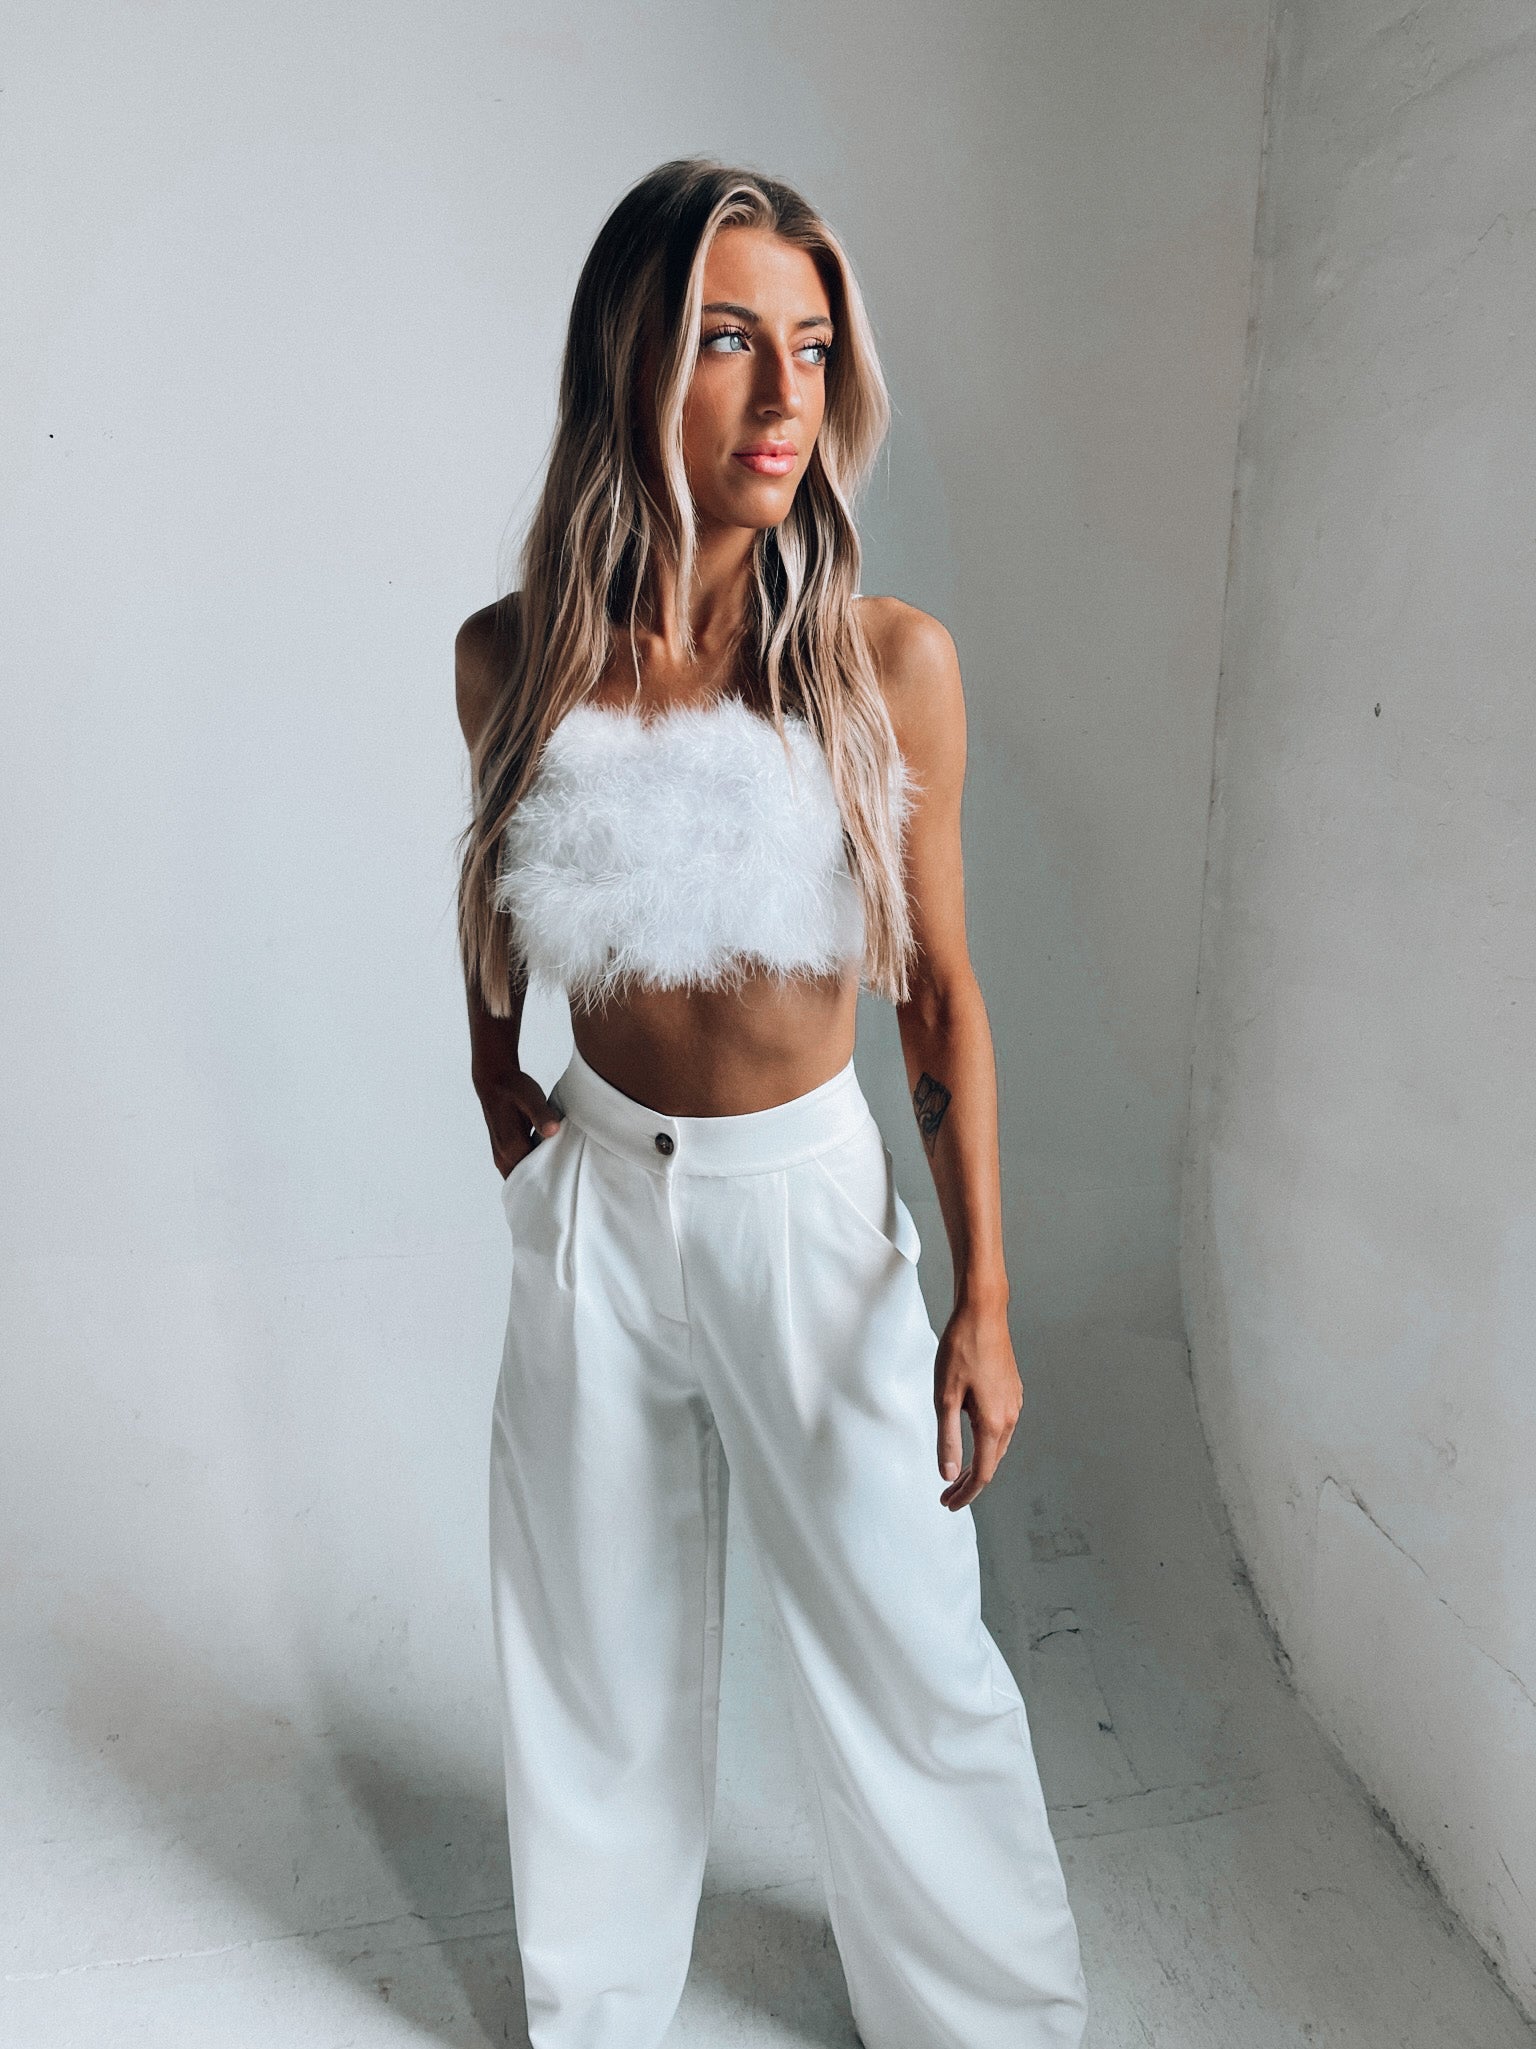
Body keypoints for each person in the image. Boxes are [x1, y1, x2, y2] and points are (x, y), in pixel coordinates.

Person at [454, 157, 1088, 2049]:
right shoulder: (515, 658)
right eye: (730, 340)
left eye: (810, 347)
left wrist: (982, 1297)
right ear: (635, 361)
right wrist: (495, 1070)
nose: (783, 392)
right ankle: (596, 2009)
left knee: (908, 1641)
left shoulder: (887, 670)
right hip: (601, 1202)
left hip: (802, 1204)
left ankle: (992, 2022)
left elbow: (942, 997)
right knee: (590, 1637)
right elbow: (496, 887)